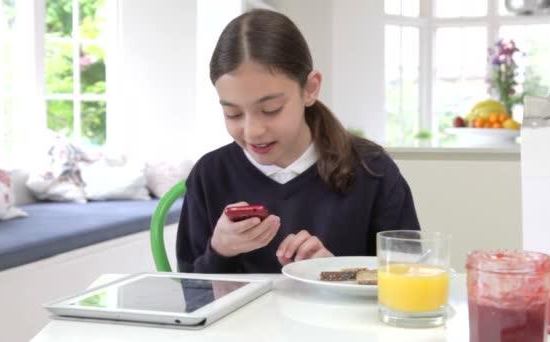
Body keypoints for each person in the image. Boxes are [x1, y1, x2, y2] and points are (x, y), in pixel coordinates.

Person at [176, 9, 420, 274]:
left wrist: (338, 273)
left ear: (310, 89)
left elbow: (408, 281)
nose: (253, 131)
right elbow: (192, 297)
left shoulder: (372, 170)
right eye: (232, 113)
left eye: (271, 109)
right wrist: (219, 250)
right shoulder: (209, 175)